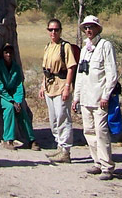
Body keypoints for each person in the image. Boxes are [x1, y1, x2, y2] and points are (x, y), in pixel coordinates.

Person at [72, 14, 118, 181]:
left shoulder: (105, 46)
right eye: (86, 27)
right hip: (85, 98)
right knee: (89, 131)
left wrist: (106, 95)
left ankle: (107, 166)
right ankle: (97, 162)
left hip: (99, 99)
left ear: (98, 28)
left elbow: (112, 73)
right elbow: (80, 75)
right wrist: (76, 97)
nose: (88, 30)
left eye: (91, 27)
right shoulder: (85, 49)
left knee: (101, 132)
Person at [39, 18, 77, 163]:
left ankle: (66, 151)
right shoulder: (48, 46)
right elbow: (45, 68)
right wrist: (43, 85)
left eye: (56, 29)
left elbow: (71, 67)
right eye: (51, 29)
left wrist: (67, 87)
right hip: (50, 86)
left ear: (60, 31)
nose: (53, 32)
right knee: (54, 119)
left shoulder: (65, 46)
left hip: (61, 86)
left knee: (63, 117)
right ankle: (59, 147)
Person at [0, 43, 41, 151]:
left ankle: (31, 140)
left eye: (10, 52)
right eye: (6, 52)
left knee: (21, 110)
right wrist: (12, 101)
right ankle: (8, 139)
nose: (8, 54)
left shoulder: (16, 67)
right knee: (9, 108)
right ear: (2, 54)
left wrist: (17, 101)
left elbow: (19, 86)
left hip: (13, 96)